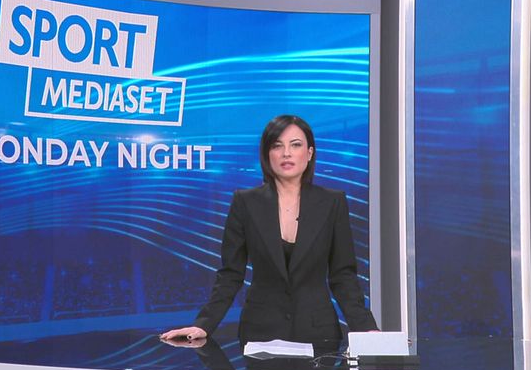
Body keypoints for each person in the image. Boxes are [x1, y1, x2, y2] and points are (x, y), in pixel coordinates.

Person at [160, 115, 378, 344]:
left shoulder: (333, 202)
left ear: (309, 153)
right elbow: (231, 274)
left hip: (318, 332)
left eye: (296, 145)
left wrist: (367, 329)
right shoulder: (245, 202)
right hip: (260, 331)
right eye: (277, 146)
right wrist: (203, 324)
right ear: (267, 154)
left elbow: (343, 276)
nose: (287, 153)